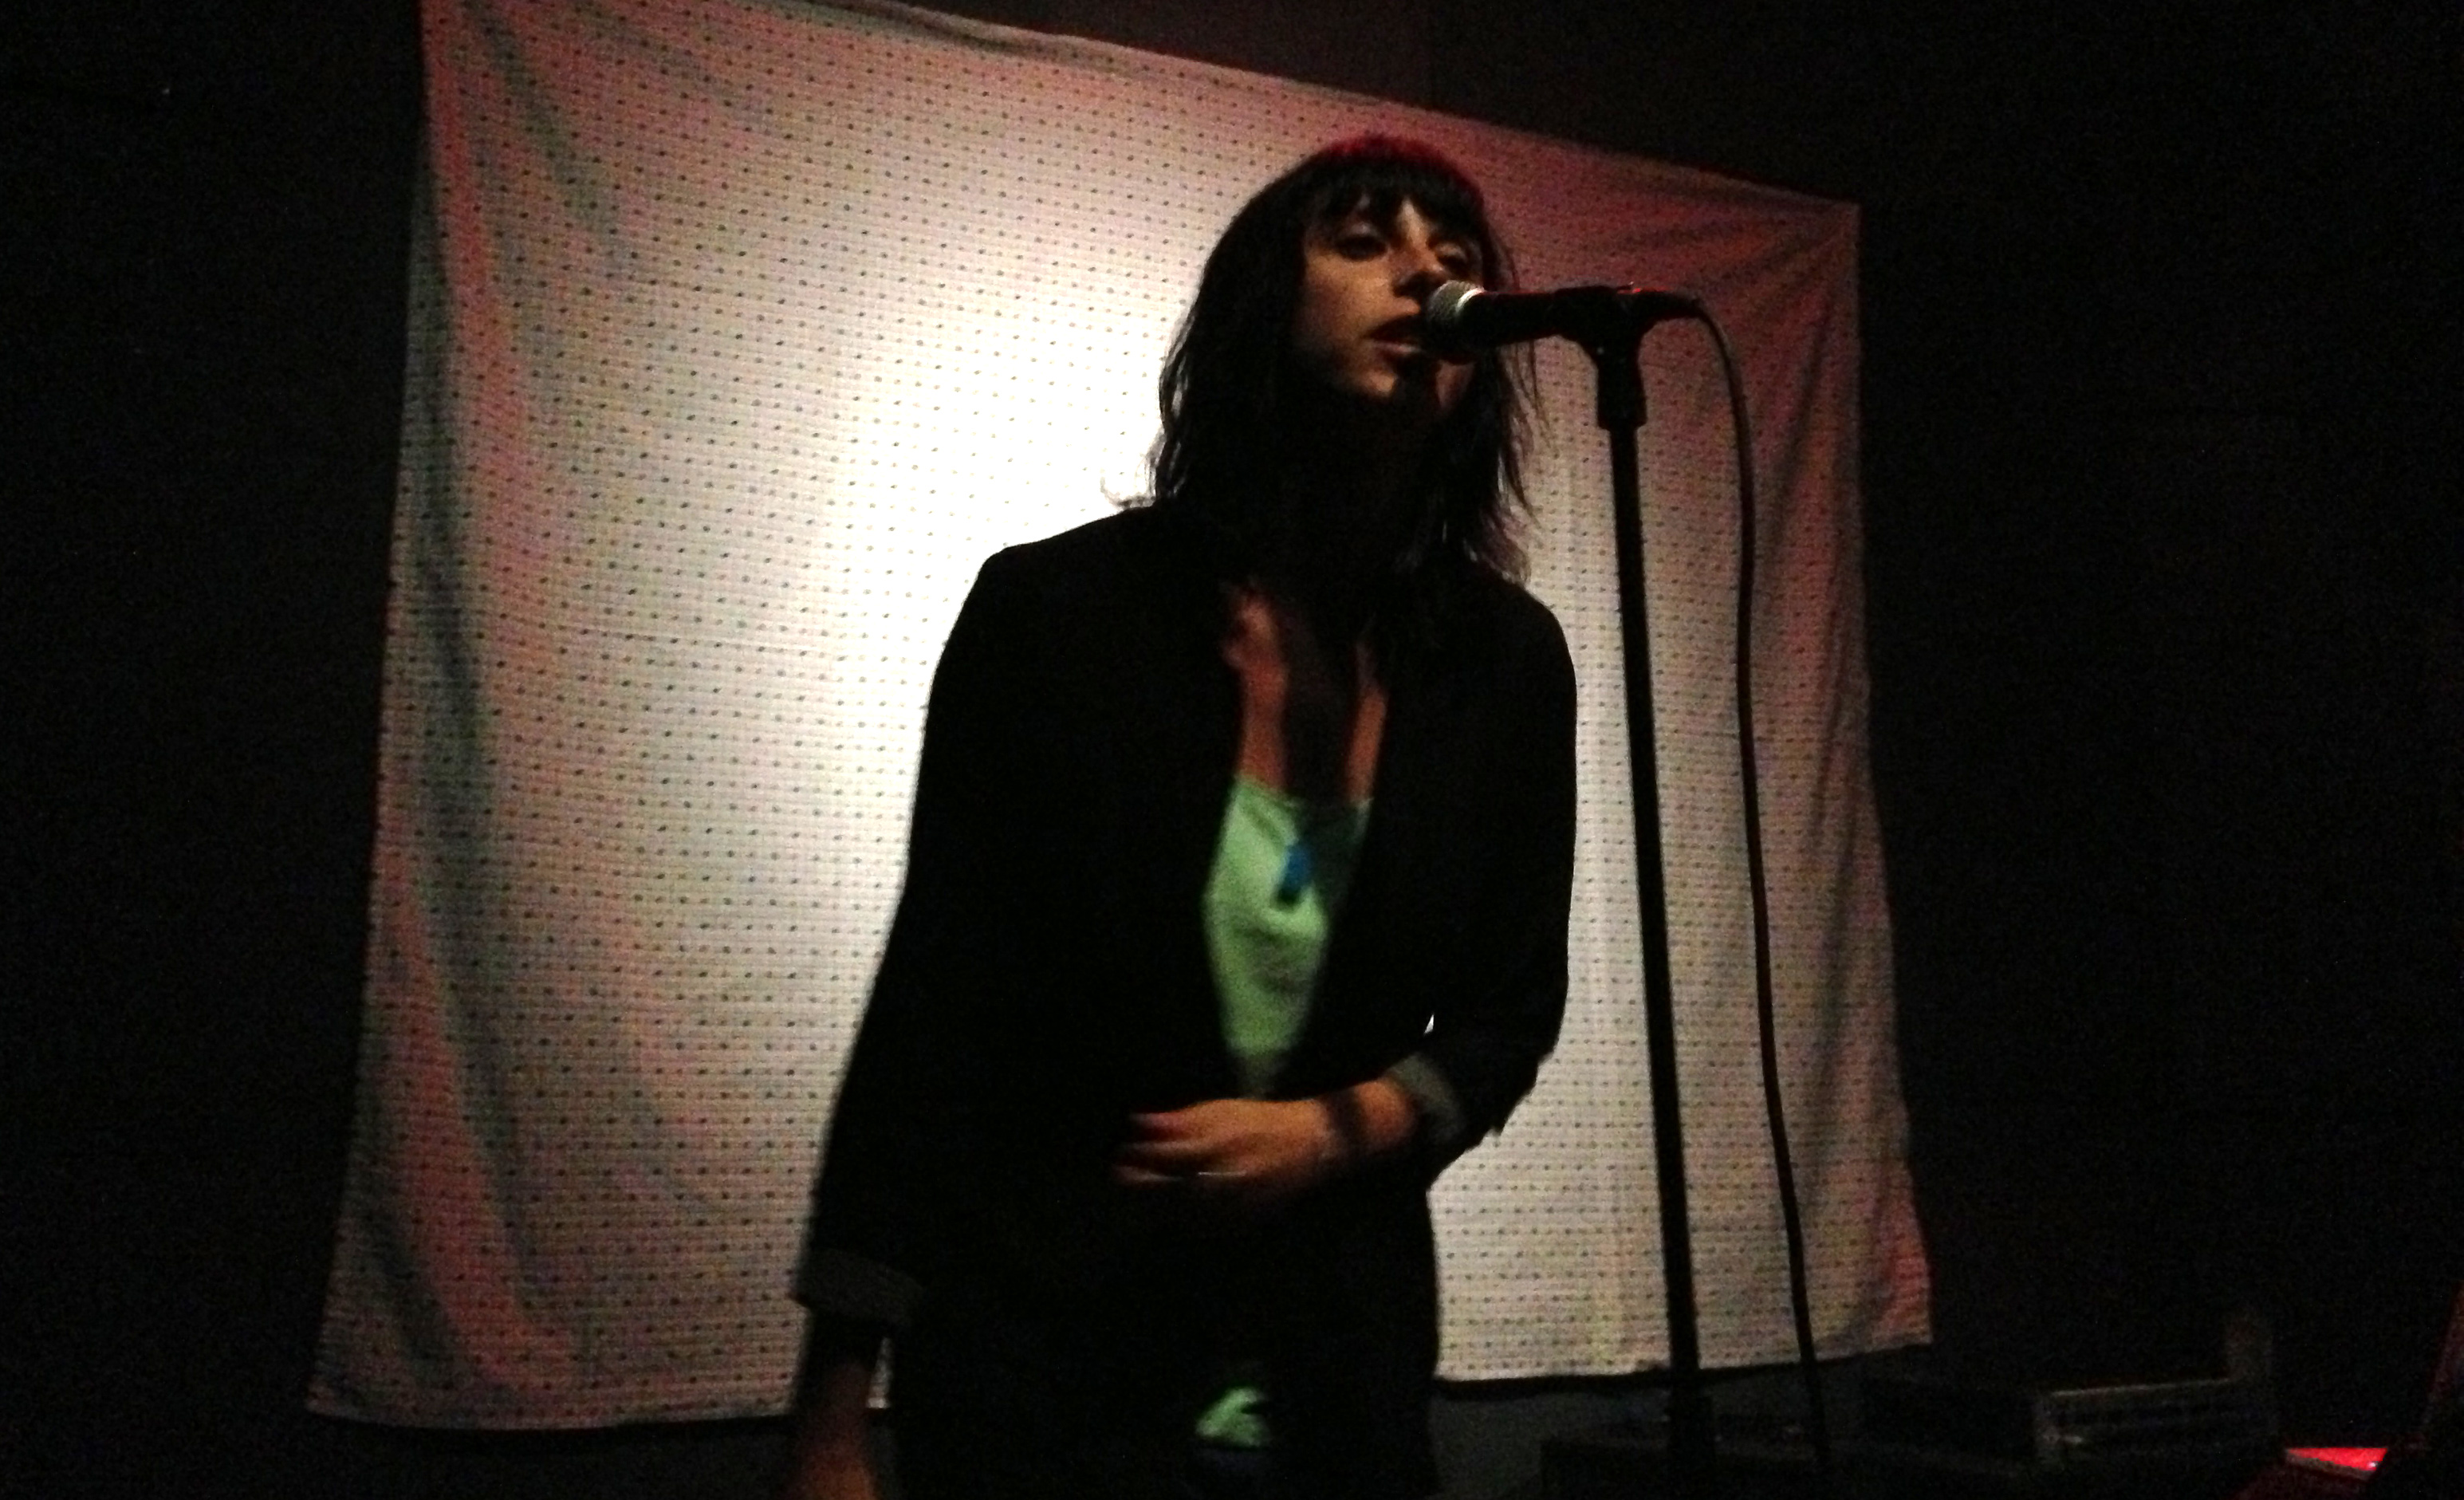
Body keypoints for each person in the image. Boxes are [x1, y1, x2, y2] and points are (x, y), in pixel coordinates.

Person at [777, 136, 1576, 1500]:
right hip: (1050, 1367)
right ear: (1262, 301)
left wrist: (1329, 1131)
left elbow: (1511, 1009)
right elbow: (936, 1010)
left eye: (1452, 259)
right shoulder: (1056, 615)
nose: (1421, 274)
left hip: (1337, 1380)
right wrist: (831, 1416)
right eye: (1363, 241)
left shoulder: (1500, 662)